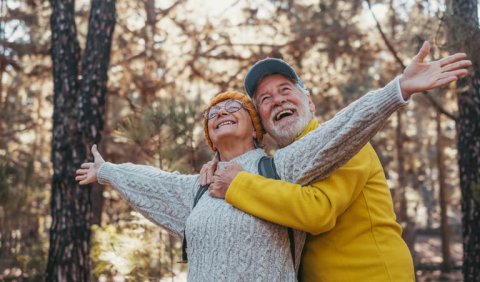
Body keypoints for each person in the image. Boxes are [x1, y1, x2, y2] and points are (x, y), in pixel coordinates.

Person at [75, 80, 413, 281]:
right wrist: (107, 172)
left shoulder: (280, 166)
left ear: (256, 128)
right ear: (209, 135)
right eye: (212, 114)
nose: (220, 113)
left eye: (233, 107)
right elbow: (154, 182)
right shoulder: (198, 188)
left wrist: (397, 90)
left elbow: (341, 130)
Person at [201, 41, 471, 281]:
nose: (278, 99)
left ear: (310, 101)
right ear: (261, 122)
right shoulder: (273, 168)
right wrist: (218, 165)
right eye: (265, 99)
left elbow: (319, 211)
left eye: (285, 89)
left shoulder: (345, 141)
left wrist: (237, 184)